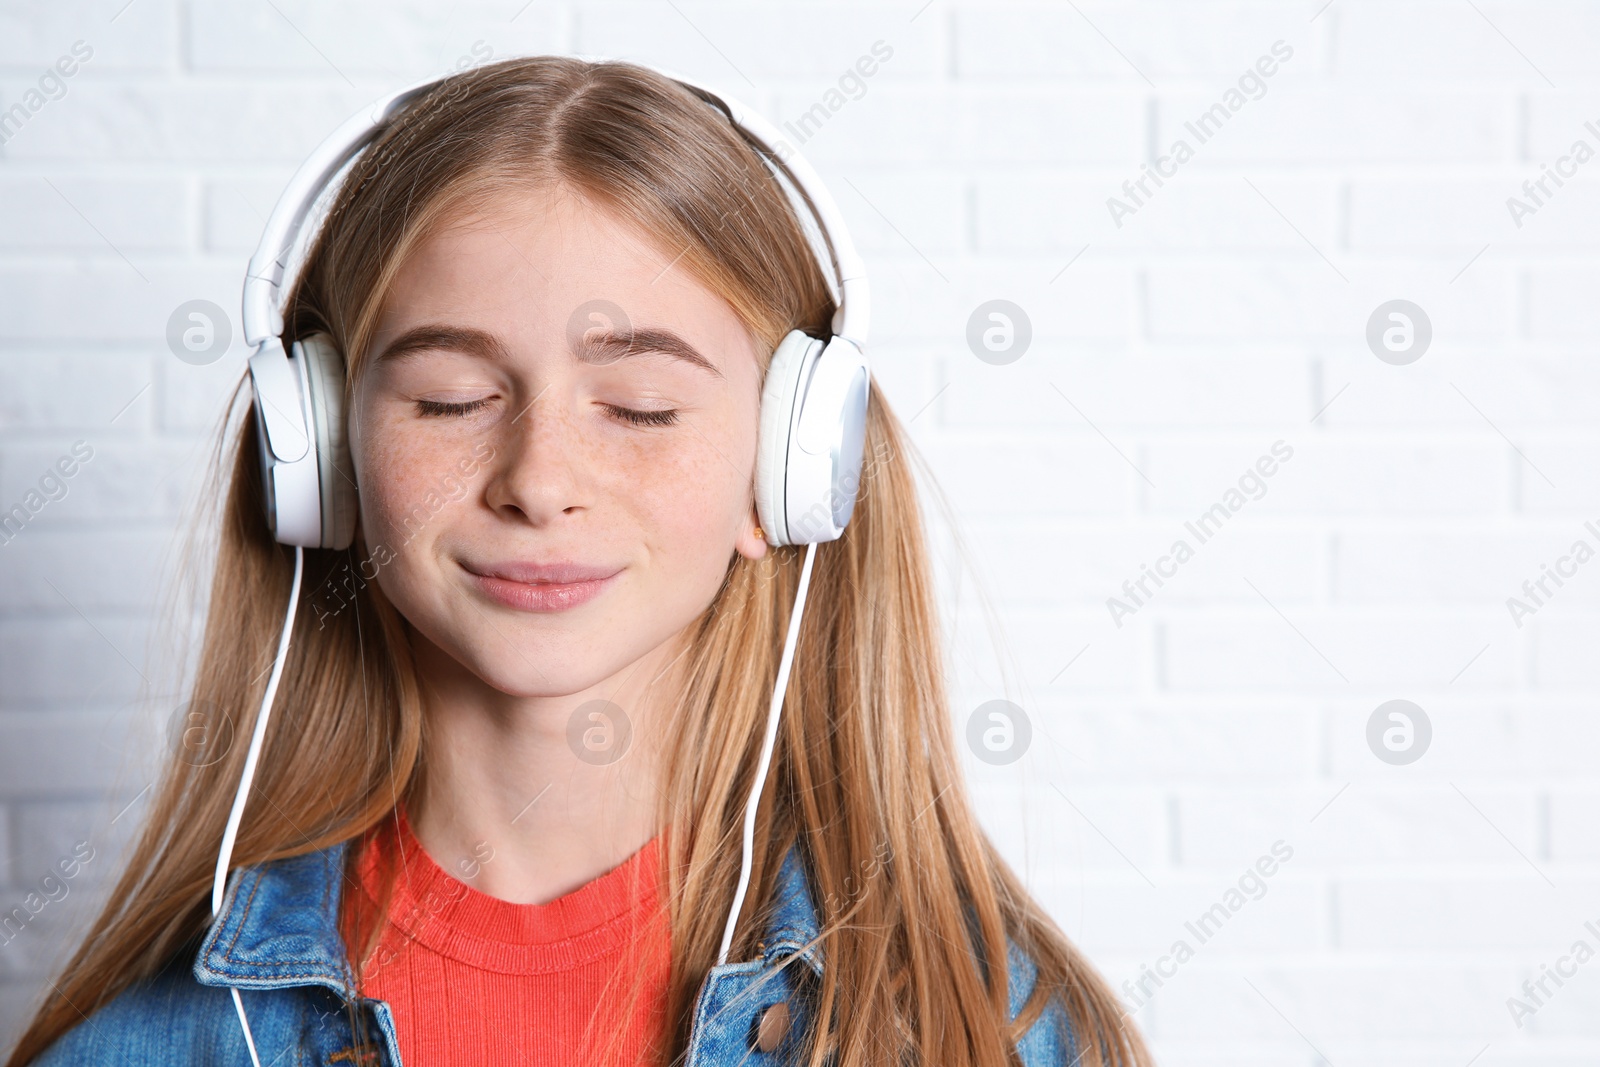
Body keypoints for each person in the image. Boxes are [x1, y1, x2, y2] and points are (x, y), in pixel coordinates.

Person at [6, 56, 1152, 1067]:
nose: (538, 477)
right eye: (451, 398)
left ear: (794, 461)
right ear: (324, 457)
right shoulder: (145, 1047)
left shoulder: (994, 1031)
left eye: (641, 405)